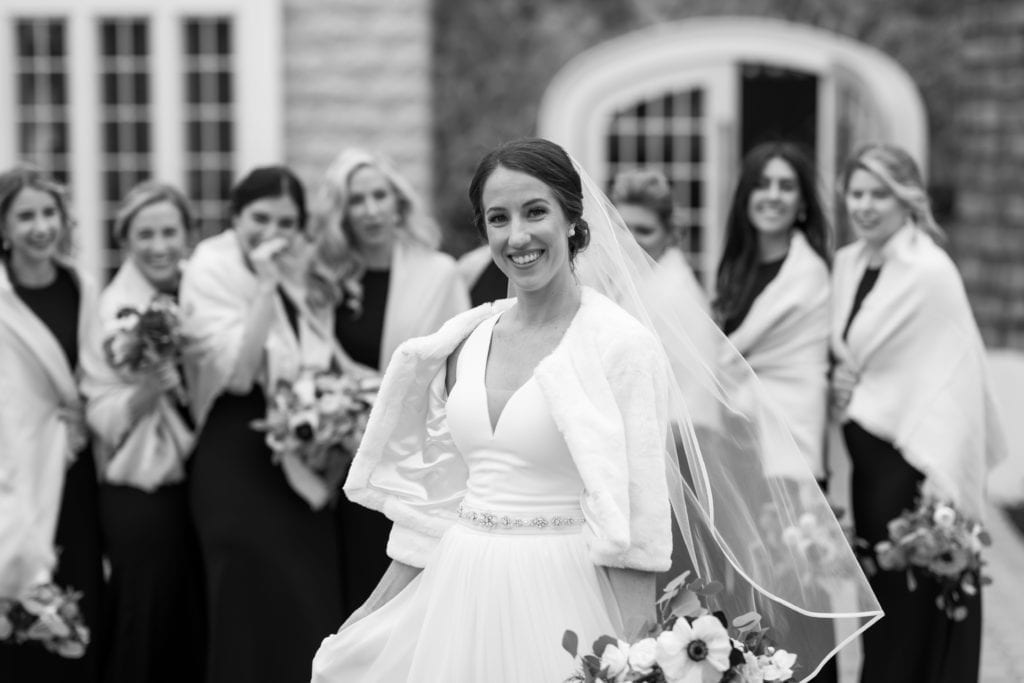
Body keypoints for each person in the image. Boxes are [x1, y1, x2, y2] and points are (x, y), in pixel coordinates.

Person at [311, 139, 881, 682]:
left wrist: (634, 655)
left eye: (536, 212)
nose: (518, 236)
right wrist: (368, 614)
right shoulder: (465, 340)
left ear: (572, 220)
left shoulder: (620, 346)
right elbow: (433, 511)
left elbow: (635, 525)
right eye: (498, 218)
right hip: (459, 594)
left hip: (562, 596)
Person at [831, 144, 1006, 683]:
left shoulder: (930, 271)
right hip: (868, 466)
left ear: (906, 197)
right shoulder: (848, 262)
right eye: (856, 193)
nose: (864, 205)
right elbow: (854, 356)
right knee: (881, 610)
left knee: (915, 609)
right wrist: (841, 380)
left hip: (914, 468)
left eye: (878, 193)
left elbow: (953, 379)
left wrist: (942, 479)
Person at [180, 166, 342, 683]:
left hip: (298, 450)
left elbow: (321, 354)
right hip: (234, 449)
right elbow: (239, 372)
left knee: (307, 598)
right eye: (260, 218)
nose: (274, 231)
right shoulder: (212, 268)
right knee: (245, 598)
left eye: (287, 221)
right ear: (234, 217)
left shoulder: (301, 270)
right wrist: (267, 285)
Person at [310, 148, 470, 616]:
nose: (371, 209)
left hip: (410, 455)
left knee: (399, 591)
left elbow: (455, 360)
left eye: (380, 195)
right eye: (356, 200)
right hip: (336, 456)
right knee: (343, 588)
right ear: (341, 211)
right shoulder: (327, 278)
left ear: (398, 202)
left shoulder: (438, 272)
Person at [79, 181, 205, 683]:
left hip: (202, 479)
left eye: (169, 232)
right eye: (145, 234)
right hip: (138, 486)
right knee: (143, 612)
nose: (159, 245)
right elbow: (99, 415)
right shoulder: (109, 313)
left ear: (188, 236)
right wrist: (149, 387)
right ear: (125, 241)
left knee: (193, 611)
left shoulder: (204, 296)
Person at [0, 164, 103, 682]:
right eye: (26, 216)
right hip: (15, 463)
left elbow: (95, 371)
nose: (41, 226)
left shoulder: (82, 286)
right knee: (18, 594)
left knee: (79, 584)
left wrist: (85, 414)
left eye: (49, 213)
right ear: (4, 227)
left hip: (75, 462)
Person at [713, 142, 831, 485]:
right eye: (762, 184)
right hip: (737, 439)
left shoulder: (808, 274)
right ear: (746, 196)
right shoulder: (736, 269)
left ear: (803, 203)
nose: (773, 195)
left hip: (789, 443)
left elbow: (802, 369)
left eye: (787, 186)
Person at [610, 167, 706, 310]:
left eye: (644, 231)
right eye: (621, 229)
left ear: (670, 234)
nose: (630, 240)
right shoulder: (620, 278)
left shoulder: (676, 293)